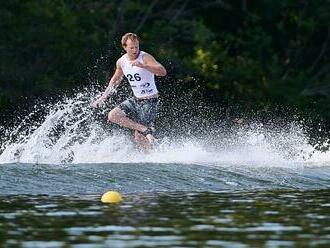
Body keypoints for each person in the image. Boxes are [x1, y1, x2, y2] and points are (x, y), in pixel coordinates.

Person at [92, 33, 167, 151]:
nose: (135, 50)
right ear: (125, 47)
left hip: (150, 101)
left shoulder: (145, 57)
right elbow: (115, 80)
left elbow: (162, 72)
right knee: (113, 115)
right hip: (135, 99)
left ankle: (152, 157)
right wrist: (103, 97)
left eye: (136, 46)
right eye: (131, 47)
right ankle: (145, 130)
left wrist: (144, 66)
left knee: (139, 138)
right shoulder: (121, 62)